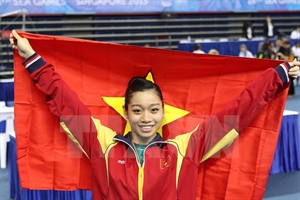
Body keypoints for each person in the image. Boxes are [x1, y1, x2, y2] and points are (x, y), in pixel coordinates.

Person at [9, 30, 300, 200]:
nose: (145, 117)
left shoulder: (184, 148)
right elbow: (67, 103)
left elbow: (235, 113)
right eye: (137, 110)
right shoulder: (102, 144)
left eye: (153, 109)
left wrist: (277, 76)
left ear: (163, 112)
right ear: (126, 112)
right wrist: (32, 58)